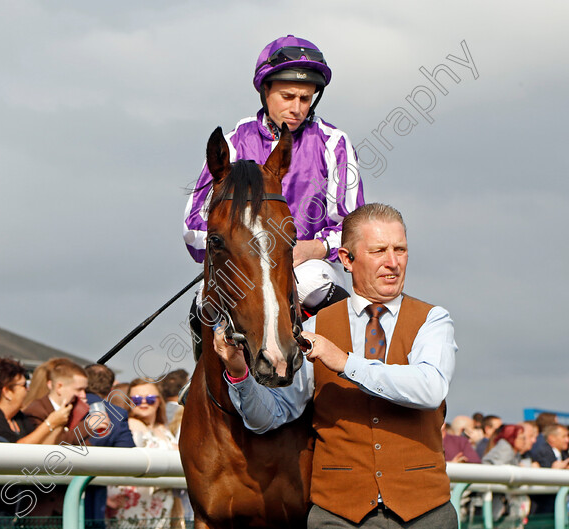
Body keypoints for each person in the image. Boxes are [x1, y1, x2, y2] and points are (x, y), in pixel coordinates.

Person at [214, 203, 457, 528]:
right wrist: (239, 374)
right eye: (378, 251)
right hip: (338, 517)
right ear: (346, 259)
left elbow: (430, 388)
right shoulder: (314, 329)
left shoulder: (433, 320)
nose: (393, 263)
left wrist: (343, 362)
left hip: (426, 515)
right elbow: (269, 417)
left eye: (400, 249)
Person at [184, 34, 364, 315]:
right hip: (240, 265)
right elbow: (194, 227)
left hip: (306, 266)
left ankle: (347, 354)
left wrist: (314, 248)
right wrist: (241, 252)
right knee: (202, 307)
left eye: (305, 98)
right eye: (288, 96)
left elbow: (354, 228)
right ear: (265, 90)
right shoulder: (232, 143)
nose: (297, 108)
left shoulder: (334, 143)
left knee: (316, 286)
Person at [21, 359, 92, 518]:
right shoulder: (35, 410)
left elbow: (85, 450)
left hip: (69, 507)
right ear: (59, 386)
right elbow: (49, 452)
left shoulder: (79, 411)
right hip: (37, 507)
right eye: (79, 389)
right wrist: (85, 427)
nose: (83, 395)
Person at [107, 379, 179, 529]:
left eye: (151, 399)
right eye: (137, 400)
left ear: (159, 401)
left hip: (161, 503)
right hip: (130, 503)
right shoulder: (127, 426)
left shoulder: (164, 429)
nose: (144, 403)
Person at [83, 364, 135, 528]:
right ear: (111, 388)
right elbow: (129, 456)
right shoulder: (117, 414)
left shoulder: (67, 405)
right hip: (94, 500)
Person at [528, 424, 569, 515]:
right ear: (552, 438)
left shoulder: (564, 454)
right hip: (543, 510)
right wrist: (555, 469)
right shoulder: (542, 452)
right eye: (564, 436)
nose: (567, 440)